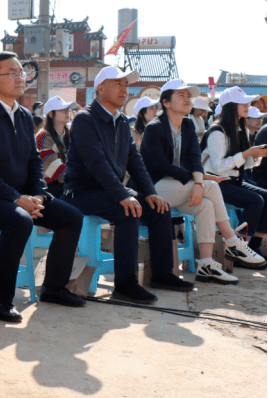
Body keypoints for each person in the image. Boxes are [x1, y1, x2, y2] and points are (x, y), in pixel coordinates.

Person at [0, 52, 86, 322]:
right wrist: (16, 198)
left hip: (21, 194)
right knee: (18, 221)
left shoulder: (25, 117)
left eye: (21, 72)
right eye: (12, 73)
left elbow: (33, 160)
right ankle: (0, 299)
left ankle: (54, 287)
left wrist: (39, 192)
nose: (20, 78)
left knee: (71, 217)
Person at [62, 66, 194, 304]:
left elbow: (135, 160)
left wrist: (150, 193)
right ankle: (125, 283)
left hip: (109, 191)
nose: (125, 89)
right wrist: (123, 194)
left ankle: (162, 274)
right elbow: (96, 163)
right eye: (118, 84)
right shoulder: (85, 118)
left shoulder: (121, 120)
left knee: (158, 208)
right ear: (100, 88)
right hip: (80, 192)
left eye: (126, 85)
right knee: (127, 210)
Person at [141, 79, 265, 285]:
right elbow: (161, 167)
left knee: (206, 205)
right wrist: (200, 180)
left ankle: (206, 264)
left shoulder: (187, 124)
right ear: (166, 102)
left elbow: (194, 158)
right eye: (181, 95)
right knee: (212, 186)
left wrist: (198, 182)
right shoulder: (154, 128)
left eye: (189, 95)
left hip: (180, 187)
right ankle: (233, 241)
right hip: (154, 187)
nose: (188, 99)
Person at [201, 87, 267, 259]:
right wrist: (246, 154)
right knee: (255, 200)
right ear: (230, 106)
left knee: (265, 197)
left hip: (231, 181)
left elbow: (245, 165)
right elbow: (219, 167)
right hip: (214, 182)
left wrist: (255, 156)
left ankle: (252, 246)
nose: (248, 105)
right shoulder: (217, 131)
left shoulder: (240, 129)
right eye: (242, 102)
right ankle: (238, 248)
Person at [35, 96, 77, 199]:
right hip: (49, 190)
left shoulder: (71, 134)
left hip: (70, 185)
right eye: (62, 110)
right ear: (51, 114)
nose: (67, 112)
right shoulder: (42, 138)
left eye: (68, 109)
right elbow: (56, 171)